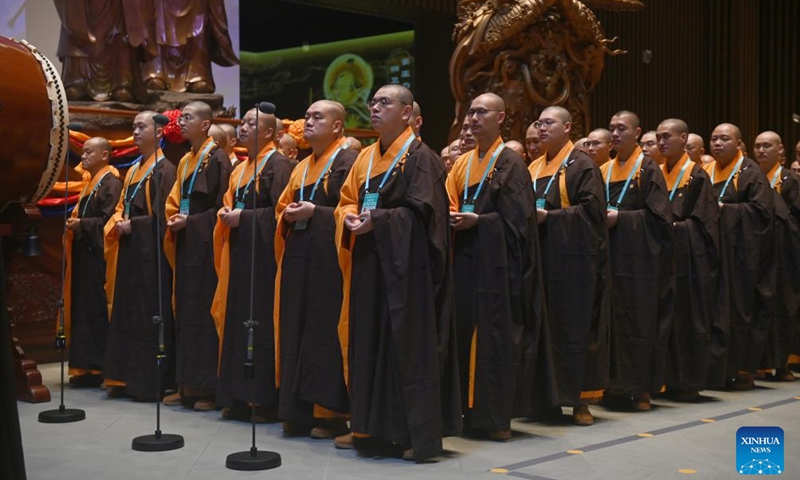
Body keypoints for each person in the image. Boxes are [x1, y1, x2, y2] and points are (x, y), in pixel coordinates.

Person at [333, 84, 461, 461]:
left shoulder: (422, 157)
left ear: (407, 113)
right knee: (368, 344)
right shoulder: (366, 157)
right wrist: (351, 217)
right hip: (370, 263)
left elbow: (427, 217)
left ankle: (412, 435)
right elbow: (345, 201)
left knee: (405, 348)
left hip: (409, 271)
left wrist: (381, 221)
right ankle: (369, 427)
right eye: (372, 102)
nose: (374, 108)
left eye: (384, 102)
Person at [446, 93, 554, 440]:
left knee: (494, 341)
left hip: (498, 268)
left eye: (482, 112)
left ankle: (495, 418)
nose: (474, 118)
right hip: (464, 263)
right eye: (471, 111)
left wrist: (480, 221)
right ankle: (464, 411)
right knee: (461, 336)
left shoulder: (510, 163)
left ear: (501, 117)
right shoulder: (462, 163)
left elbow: (519, 223)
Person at [274, 100, 357, 438]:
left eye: (317, 117)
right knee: (295, 325)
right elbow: (282, 204)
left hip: (329, 258)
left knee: (323, 330)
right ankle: (298, 408)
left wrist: (316, 213)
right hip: (299, 255)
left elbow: (347, 208)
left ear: (337, 126)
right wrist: (289, 214)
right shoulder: (303, 164)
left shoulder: (348, 160)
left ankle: (329, 412)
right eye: (306, 115)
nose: (307, 121)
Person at [528, 106, 611, 426]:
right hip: (540, 259)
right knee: (542, 330)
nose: (542, 127)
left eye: (549, 122)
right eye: (539, 122)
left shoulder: (582, 165)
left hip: (574, 265)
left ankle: (580, 401)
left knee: (573, 330)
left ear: (567, 127)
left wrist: (550, 218)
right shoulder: (533, 167)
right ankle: (544, 400)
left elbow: (593, 215)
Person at [211, 104, 294, 421]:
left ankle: (262, 399)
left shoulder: (279, 164)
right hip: (240, 254)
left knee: (260, 322)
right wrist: (226, 215)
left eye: (249, 123)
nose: (242, 128)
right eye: (241, 123)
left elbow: (279, 212)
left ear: (270, 132)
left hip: (264, 259)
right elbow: (230, 202)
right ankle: (237, 394)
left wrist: (242, 217)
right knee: (235, 319)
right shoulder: (241, 168)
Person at [162, 101, 232, 411]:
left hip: (206, 247)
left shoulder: (218, 159)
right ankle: (185, 384)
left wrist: (191, 221)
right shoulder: (185, 161)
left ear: (206, 124)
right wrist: (176, 217)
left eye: (188, 117)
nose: (181, 123)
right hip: (187, 243)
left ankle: (208, 389)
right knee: (185, 312)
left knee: (204, 314)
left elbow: (222, 208)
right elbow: (175, 201)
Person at [600, 111, 672, 412]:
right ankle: (611, 386)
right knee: (609, 324)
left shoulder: (648, 169)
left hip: (639, 262)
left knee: (638, 322)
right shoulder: (602, 169)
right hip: (607, 257)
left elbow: (660, 218)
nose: (615, 134)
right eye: (612, 128)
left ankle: (640, 388)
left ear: (638, 132)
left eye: (622, 129)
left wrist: (623, 219)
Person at [103, 111, 177, 400]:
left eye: (141, 126)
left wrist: (135, 225)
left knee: (149, 315)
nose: (134, 131)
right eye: (133, 126)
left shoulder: (165, 169)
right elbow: (122, 206)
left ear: (159, 132)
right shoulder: (134, 169)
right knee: (128, 312)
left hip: (152, 255)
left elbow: (162, 218)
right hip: (131, 251)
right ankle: (124, 376)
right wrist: (119, 222)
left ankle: (149, 382)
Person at [706, 123, 774, 390]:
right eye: (714, 139)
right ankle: (713, 371)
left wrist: (726, 210)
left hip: (740, 256)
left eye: (724, 139)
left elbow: (761, 214)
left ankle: (738, 369)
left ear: (738, 143)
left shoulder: (750, 172)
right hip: (712, 253)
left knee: (737, 311)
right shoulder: (705, 171)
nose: (717, 144)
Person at [656, 119, 719, 402]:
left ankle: (687, 381)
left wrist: (675, 229)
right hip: (659, 258)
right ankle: (661, 379)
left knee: (686, 318)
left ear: (684, 139)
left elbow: (704, 224)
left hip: (688, 262)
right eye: (658, 137)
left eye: (667, 137)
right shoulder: (655, 173)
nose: (661, 143)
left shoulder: (696, 175)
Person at [63, 137, 122, 387]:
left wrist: (82, 225)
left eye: (89, 152)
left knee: (96, 311)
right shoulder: (90, 184)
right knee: (83, 311)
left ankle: (98, 366)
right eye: (83, 152)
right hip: (84, 257)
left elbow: (109, 223)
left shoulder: (111, 183)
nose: (83, 156)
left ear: (105, 155)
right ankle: (84, 367)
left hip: (98, 257)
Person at [753, 131, 800, 382]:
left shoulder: (789, 180)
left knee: (782, 307)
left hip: (784, 256)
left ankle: (781, 363)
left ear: (780, 150)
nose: (761, 151)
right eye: (757, 146)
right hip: (758, 254)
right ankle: (758, 362)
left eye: (767, 146)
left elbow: (794, 222)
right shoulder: (751, 177)